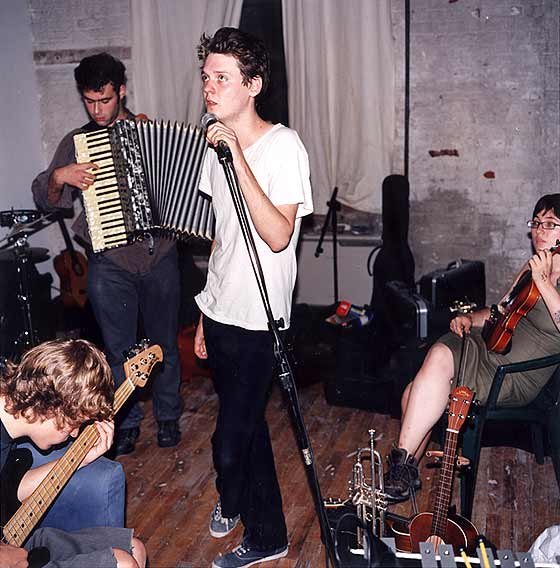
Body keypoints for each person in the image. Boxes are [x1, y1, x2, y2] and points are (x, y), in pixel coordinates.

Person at [193, 27, 313, 568]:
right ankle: (247, 509)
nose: (209, 87)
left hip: (262, 319)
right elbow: (222, 236)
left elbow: (279, 234)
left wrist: (236, 154)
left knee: (230, 438)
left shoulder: (284, 146)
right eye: (206, 77)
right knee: (245, 427)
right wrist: (204, 309)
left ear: (253, 85)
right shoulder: (211, 146)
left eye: (222, 78)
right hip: (221, 310)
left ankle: (261, 529)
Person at [32, 52, 183, 455]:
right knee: (117, 351)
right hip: (109, 263)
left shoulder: (148, 131)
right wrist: (59, 177)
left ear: (122, 92)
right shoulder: (76, 142)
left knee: (164, 343)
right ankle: (127, 422)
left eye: (105, 100)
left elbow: (178, 182)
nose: (97, 110)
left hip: (159, 255)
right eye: (89, 101)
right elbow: (46, 200)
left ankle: (168, 416)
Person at [384, 193, 560, 503]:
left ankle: (401, 471)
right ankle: (403, 472)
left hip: (514, 374)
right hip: (493, 347)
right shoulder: (530, 267)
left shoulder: (541, 274)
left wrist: (543, 281)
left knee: (420, 387)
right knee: (424, 376)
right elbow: (500, 312)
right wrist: (469, 318)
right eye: (536, 223)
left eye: (550, 224)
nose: (539, 231)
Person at [0, 339, 146, 568]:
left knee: (134, 548)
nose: (75, 433)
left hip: (15, 540)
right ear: (52, 409)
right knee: (123, 563)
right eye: (74, 424)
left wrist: (79, 460)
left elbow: (12, 488)